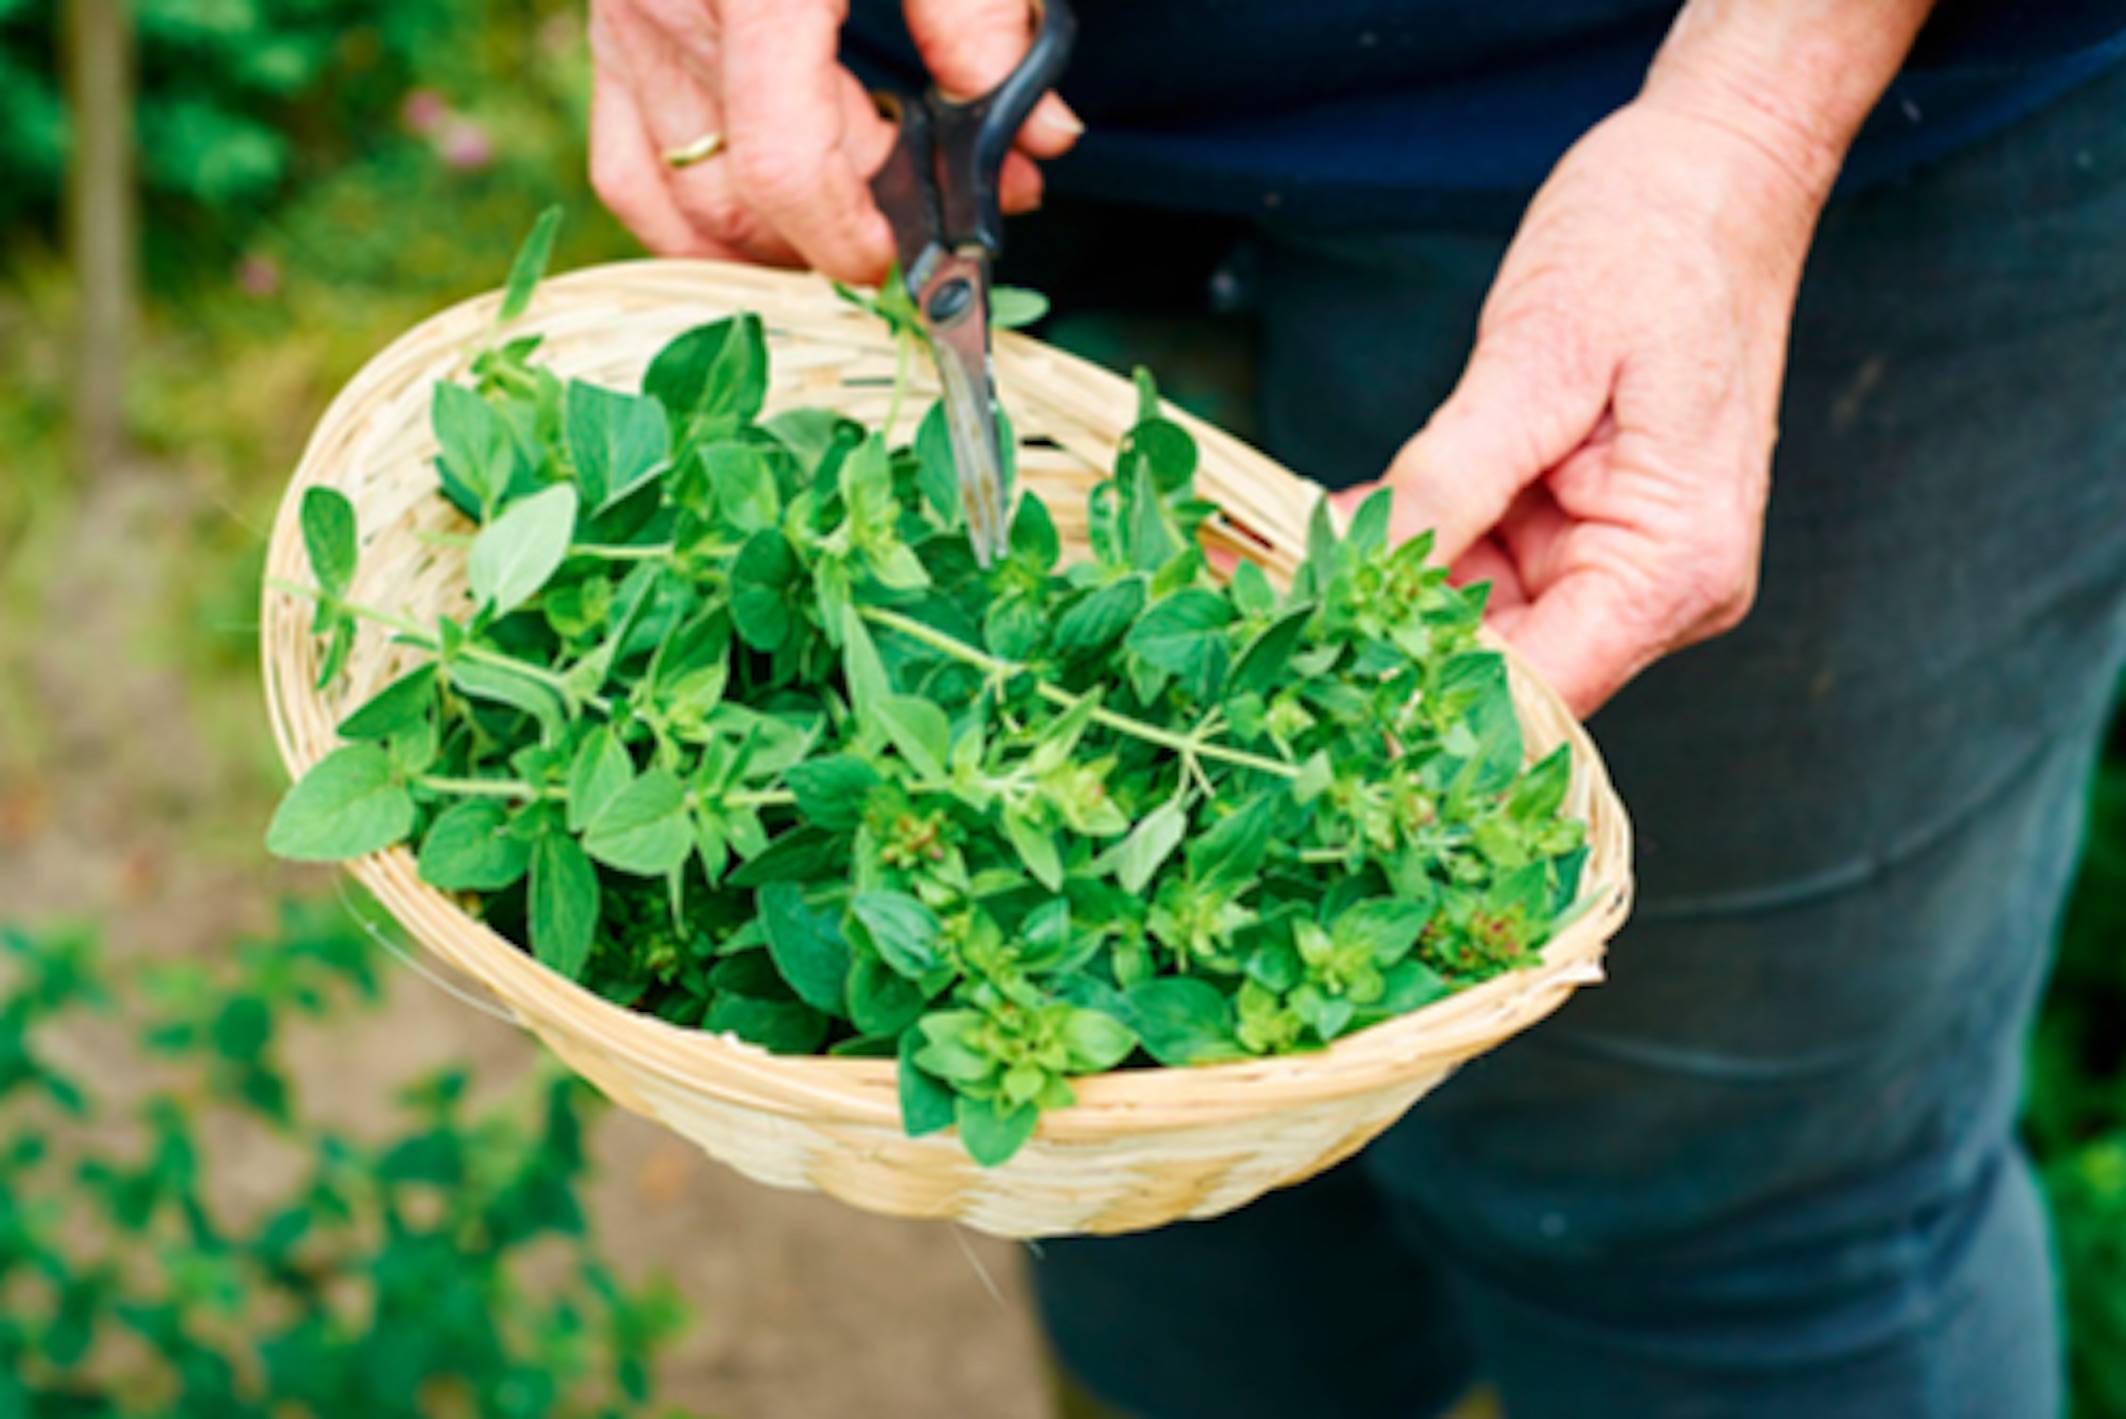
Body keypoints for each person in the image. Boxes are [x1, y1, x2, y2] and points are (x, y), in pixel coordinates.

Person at [586, 2, 2126, 1413]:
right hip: (962, 132)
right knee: (1137, 1151)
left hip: (1797, 139)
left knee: (1730, 1222)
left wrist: (1752, 121)